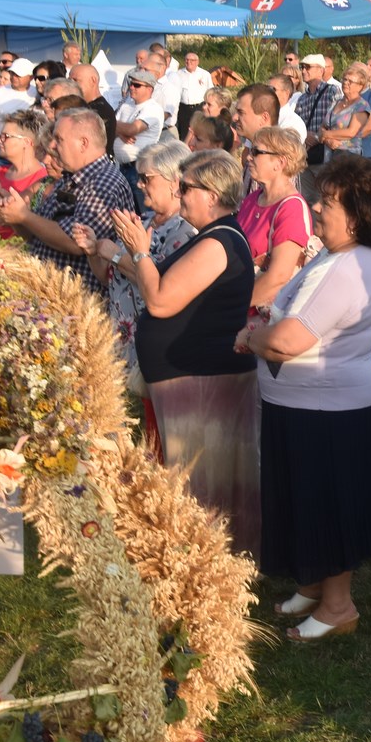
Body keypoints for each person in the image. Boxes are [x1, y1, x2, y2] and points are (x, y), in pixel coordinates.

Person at [238, 159, 371, 642]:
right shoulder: (341, 255)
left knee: (327, 505)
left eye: (327, 202)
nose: (315, 207)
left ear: (355, 216)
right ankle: (312, 584)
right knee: (303, 501)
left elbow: (289, 340)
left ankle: (337, 606)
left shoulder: (348, 265)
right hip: (309, 405)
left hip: (328, 411)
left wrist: (250, 338)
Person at [123, 150, 261, 556]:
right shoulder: (211, 237)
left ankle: (203, 558)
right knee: (186, 474)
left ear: (213, 195)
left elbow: (161, 302)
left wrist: (140, 252)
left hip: (201, 378)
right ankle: (189, 554)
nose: (180, 195)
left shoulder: (220, 242)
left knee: (199, 477)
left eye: (186, 188)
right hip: (187, 374)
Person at [72, 141, 196, 396]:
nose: (139, 185)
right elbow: (108, 279)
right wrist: (94, 249)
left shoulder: (186, 231)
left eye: (146, 178)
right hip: (119, 345)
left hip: (151, 352)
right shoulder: (144, 221)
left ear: (175, 182)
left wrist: (115, 255)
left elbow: (159, 283)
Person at [0, 108, 135, 294]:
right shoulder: (70, 177)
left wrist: (24, 216)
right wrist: (15, 217)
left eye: (58, 139)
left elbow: (75, 243)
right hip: (51, 297)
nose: (52, 145)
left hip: (77, 303)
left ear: (83, 143)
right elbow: (38, 237)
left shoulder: (104, 183)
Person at [235, 127, 312, 309]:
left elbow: (278, 277)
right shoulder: (253, 199)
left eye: (256, 152)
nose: (248, 157)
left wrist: (232, 309)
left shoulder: (291, 208)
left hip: (259, 313)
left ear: (279, 162)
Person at [0, 109, 56, 240]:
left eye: (5, 137)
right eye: (0, 136)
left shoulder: (42, 180)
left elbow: (5, 220)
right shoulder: (0, 171)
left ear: (27, 142)